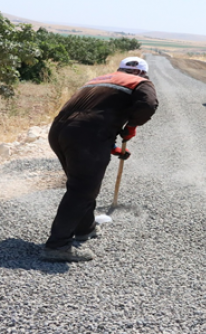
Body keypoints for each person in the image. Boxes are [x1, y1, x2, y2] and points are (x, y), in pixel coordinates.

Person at [42, 57, 159, 262]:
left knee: (83, 184)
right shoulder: (140, 82)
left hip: (59, 132)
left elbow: (89, 115)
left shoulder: (98, 80)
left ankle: (85, 228)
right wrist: (130, 127)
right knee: (82, 188)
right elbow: (148, 105)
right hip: (86, 135)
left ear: (120, 69)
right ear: (142, 73)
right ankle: (58, 245)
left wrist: (111, 147)